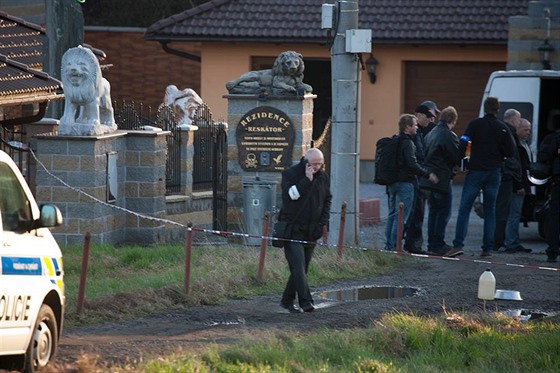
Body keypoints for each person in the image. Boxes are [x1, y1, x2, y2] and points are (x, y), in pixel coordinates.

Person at [451, 97, 515, 258]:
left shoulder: (474, 124)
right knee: (490, 211)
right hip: (494, 173)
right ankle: (487, 249)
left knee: (464, 209)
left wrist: (461, 164)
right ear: (498, 109)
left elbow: (464, 142)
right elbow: (511, 151)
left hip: (476, 171)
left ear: (485, 108)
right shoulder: (503, 128)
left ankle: (458, 245)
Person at [278, 147, 332, 313]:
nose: (317, 168)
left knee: (302, 267)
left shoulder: (323, 176)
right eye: (314, 164)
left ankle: (287, 301)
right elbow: (290, 196)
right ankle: (306, 302)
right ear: (306, 161)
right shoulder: (290, 174)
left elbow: (327, 199)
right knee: (298, 266)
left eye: (320, 164)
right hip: (293, 229)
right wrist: (306, 181)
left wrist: (322, 222)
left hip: (312, 230)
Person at [385, 114, 438, 251]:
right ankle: (394, 246)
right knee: (401, 217)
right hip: (405, 184)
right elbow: (412, 164)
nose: (416, 127)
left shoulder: (394, 140)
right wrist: (428, 174)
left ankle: (389, 245)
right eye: (414, 125)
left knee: (392, 215)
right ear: (407, 127)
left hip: (392, 183)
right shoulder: (408, 143)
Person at [422, 106, 461, 256]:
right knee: (443, 213)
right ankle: (438, 244)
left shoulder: (431, 133)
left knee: (433, 212)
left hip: (429, 179)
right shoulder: (448, 135)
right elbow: (454, 157)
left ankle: (432, 244)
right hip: (442, 179)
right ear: (453, 120)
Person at [403, 103, 438, 254]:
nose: (431, 120)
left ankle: (410, 244)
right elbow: (415, 159)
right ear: (419, 116)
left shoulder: (428, 130)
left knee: (415, 213)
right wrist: (426, 173)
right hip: (416, 178)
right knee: (414, 214)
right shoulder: (413, 134)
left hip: (419, 177)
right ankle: (412, 245)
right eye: (428, 117)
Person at [494, 109, 522, 250]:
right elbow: (512, 158)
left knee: (498, 209)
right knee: (502, 211)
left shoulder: (499, 129)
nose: (519, 123)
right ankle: (498, 241)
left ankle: (496, 240)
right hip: (506, 177)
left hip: (500, 175)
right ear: (512, 120)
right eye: (519, 119)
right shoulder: (509, 132)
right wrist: (517, 180)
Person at [504, 118, 533, 253]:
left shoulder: (523, 143)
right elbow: (517, 168)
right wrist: (519, 185)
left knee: (515, 214)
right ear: (518, 129)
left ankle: (512, 241)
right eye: (526, 129)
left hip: (522, 184)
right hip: (517, 185)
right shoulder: (517, 145)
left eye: (529, 129)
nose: (528, 132)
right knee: (514, 214)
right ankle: (512, 243)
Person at [536, 117, 560, 263]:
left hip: (556, 182)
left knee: (554, 216)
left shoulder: (553, 138)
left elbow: (543, 158)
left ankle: (552, 252)